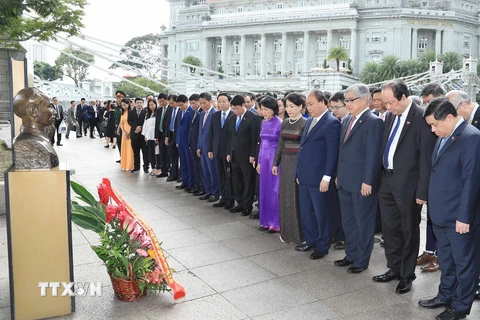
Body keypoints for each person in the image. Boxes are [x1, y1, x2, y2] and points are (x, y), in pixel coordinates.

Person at [373, 80, 436, 294]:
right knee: (389, 229)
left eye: (390, 103)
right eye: (385, 103)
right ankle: (394, 268)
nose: (387, 107)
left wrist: (422, 191)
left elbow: (426, 159)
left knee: (409, 230)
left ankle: (407, 275)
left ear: (402, 97)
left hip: (409, 185)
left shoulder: (421, 117)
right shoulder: (391, 115)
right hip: (387, 181)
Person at [419, 98, 480, 320]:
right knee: (446, 259)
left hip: (459, 217)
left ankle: (461, 307)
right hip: (441, 213)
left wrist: (465, 217)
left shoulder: (471, 138)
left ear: (450, 117)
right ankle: (445, 295)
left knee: (464, 263)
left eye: (435, 125)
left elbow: (471, 181)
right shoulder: (445, 135)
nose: (433, 131)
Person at [334, 84, 384, 274]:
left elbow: (373, 154)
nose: (347, 103)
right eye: (346, 100)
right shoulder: (347, 120)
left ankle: (361, 260)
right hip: (345, 180)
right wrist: (338, 173)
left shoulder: (373, 121)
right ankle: (351, 254)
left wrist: (368, 181)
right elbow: (342, 150)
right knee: (348, 221)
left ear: (364, 99)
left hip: (362, 182)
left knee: (363, 222)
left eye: (351, 100)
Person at [294, 90, 340, 260]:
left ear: (323, 102)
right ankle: (310, 239)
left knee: (322, 213)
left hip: (320, 178)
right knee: (307, 211)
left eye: (311, 103)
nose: (308, 107)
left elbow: (332, 153)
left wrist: (327, 177)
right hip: (305, 176)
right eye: (307, 104)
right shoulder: (309, 121)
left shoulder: (331, 123)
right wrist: (298, 171)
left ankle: (322, 245)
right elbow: (303, 149)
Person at [273, 93, 307, 244]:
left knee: (296, 199)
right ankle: (286, 233)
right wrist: (275, 163)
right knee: (285, 197)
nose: (289, 109)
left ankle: (299, 235)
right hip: (285, 163)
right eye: (287, 106)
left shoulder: (305, 123)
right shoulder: (285, 122)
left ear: (300, 106)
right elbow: (280, 144)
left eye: (292, 106)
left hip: (297, 164)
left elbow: (306, 149)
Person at [226, 95, 261, 217]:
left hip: (247, 156)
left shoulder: (253, 118)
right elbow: (230, 137)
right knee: (236, 180)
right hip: (234, 155)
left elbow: (255, 138)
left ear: (243, 105)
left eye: (237, 108)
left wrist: (253, 154)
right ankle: (239, 203)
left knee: (248, 181)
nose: (235, 111)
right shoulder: (231, 119)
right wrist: (229, 152)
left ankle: (247, 206)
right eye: (233, 108)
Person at [12, 87, 59, 170]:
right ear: (33, 111)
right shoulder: (26, 144)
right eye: (49, 107)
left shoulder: (43, 137)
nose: (54, 112)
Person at [256, 96, 282, 232]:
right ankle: (265, 220)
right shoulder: (263, 123)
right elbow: (261, 145)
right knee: (264, 190)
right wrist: (259, 161)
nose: (264, 112)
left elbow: (280, 146)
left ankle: (276, 222)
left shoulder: (280, 123)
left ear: (273, 109)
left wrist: (276, 163)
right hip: (264, 159)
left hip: (274, 160)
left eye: (266, 109)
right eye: (262, 109)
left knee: (274, 191)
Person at [208, 93, 235, 208]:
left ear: (229, 102)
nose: (222, 104)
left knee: (229, 176)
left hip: (228, 152)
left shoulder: (234, 115)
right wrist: (210, 149)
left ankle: (230, 200)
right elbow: (211, 133)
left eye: (224, 101)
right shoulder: (215, 115)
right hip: (217, 150)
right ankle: (222, 198)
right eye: (219, 102)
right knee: (220, 175)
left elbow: (233, 136)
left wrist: (230, 151)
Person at [197, 92, 219, 202]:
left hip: (210, 148)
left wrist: (211, 149)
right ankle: (208, 190)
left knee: (212, 171)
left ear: (210, 102)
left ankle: (215, 193)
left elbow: (214, 134)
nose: (202, 105)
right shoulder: (202, 114)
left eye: (204, 103)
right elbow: (200, 132)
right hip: (202, 147)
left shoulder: (215, 114)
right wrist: (198, 146)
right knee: (205, 171)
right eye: (200, 103)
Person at [175, 94, 195, 191]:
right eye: (178, 105)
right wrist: (177, 140)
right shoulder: (179, 112)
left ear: (187, 102)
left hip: (188, 142)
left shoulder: (191, 112)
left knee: (189, 164)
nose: (180, 107)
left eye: (181, 105)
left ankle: (191, 184)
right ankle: (185, 181)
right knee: (183, 163)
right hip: (181, 143)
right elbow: (178, 127)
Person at [188, 94, 204, 195]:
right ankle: (198, 185)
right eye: (191, 103)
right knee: (196, 167)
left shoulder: (203, 113)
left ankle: (203, 187)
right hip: (193, 143)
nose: (192, 105)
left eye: (194, 103)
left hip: (199, 145)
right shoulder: (194, 112)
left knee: (201, 167)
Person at [128, 97, 149, 173]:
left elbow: (147, 121)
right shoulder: (131, 112)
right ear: (135, 103)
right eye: (137, 102)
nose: (139, 104)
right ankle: (136, 166)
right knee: (135, 152)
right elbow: (129, 121)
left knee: (145, 152)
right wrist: (136, 127)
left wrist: (141, 127)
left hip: (143, 135)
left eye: (140, 102)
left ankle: (146, 166)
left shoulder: (146, 112)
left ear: (143, 103)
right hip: (134, 134)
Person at [154, 93, 170, 178]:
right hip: (160, 134)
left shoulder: (170, 109)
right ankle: (163, 171)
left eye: (162, 101)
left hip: (167, 135)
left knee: (168, 154)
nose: (161, 103)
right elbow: (157, 123)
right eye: (159, 101)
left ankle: (169, 169)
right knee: (162, 153)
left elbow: (168, 124)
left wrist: (167, 136)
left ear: (166, 100)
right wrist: (156, 136)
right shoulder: (159, 110)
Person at [142, 99, 158, 175]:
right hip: (149, 136)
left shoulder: (158, 113)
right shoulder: (147, 114)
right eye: (149, 105)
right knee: (150, 153)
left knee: (156, 153)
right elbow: (145, 125)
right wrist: (145, 135)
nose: (151, 106)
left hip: (155, 136)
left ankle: (157, 167)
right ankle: (153, 167)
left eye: (152, 105)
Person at [118, 98, 134, 171]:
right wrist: (123, 131)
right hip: (124, 132)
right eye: (122, 105)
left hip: (130, 131)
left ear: (128, 104)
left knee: (130, 149)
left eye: (125, 105)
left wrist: (129, 132)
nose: (124, 107)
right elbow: (121, 123)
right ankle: (124, 164)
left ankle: (130, 165)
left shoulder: (131, 112)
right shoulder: (122, 112)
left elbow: (132, 123)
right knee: (124, 149)